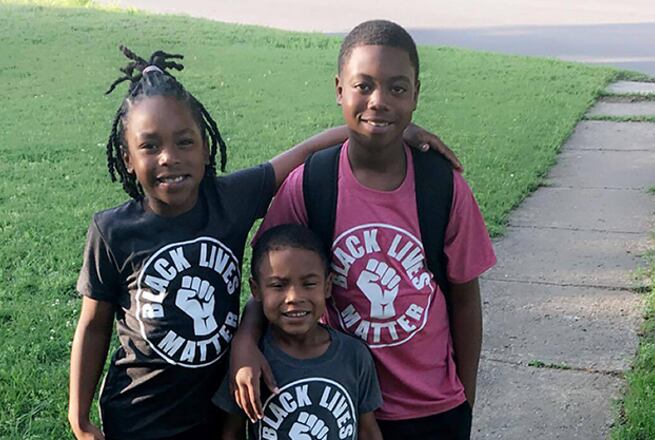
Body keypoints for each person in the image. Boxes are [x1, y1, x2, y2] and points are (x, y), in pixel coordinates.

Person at [68, 46, 453, 440]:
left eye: (185, 142)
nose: (169, 157)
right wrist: (79, 418)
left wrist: (387, 131)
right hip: (140, 416)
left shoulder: (230, 199)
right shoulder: (113, 231)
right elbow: (94, 326)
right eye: (149, 146)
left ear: (205, 147)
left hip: (215, 405)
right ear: (127, 156)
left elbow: (306, 150)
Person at [231, 20, 496, 440]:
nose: (379, 101)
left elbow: (465, 298)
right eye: (363, 85)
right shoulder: (311, 184)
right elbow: (267, 285)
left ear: (415, 93)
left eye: (396, 88)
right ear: (340, 89)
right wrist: (245, 343)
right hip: (340, 404)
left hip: (434, 406)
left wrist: (466, 395)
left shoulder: (442, 186)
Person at [214, 224, 383, 440]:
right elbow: (232, 432)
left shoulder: (354, 355)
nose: (294, 297)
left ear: (328, 286)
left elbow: (367, 431)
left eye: (309, 283)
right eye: (278, 285)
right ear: (256, 290)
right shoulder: (249, 363)